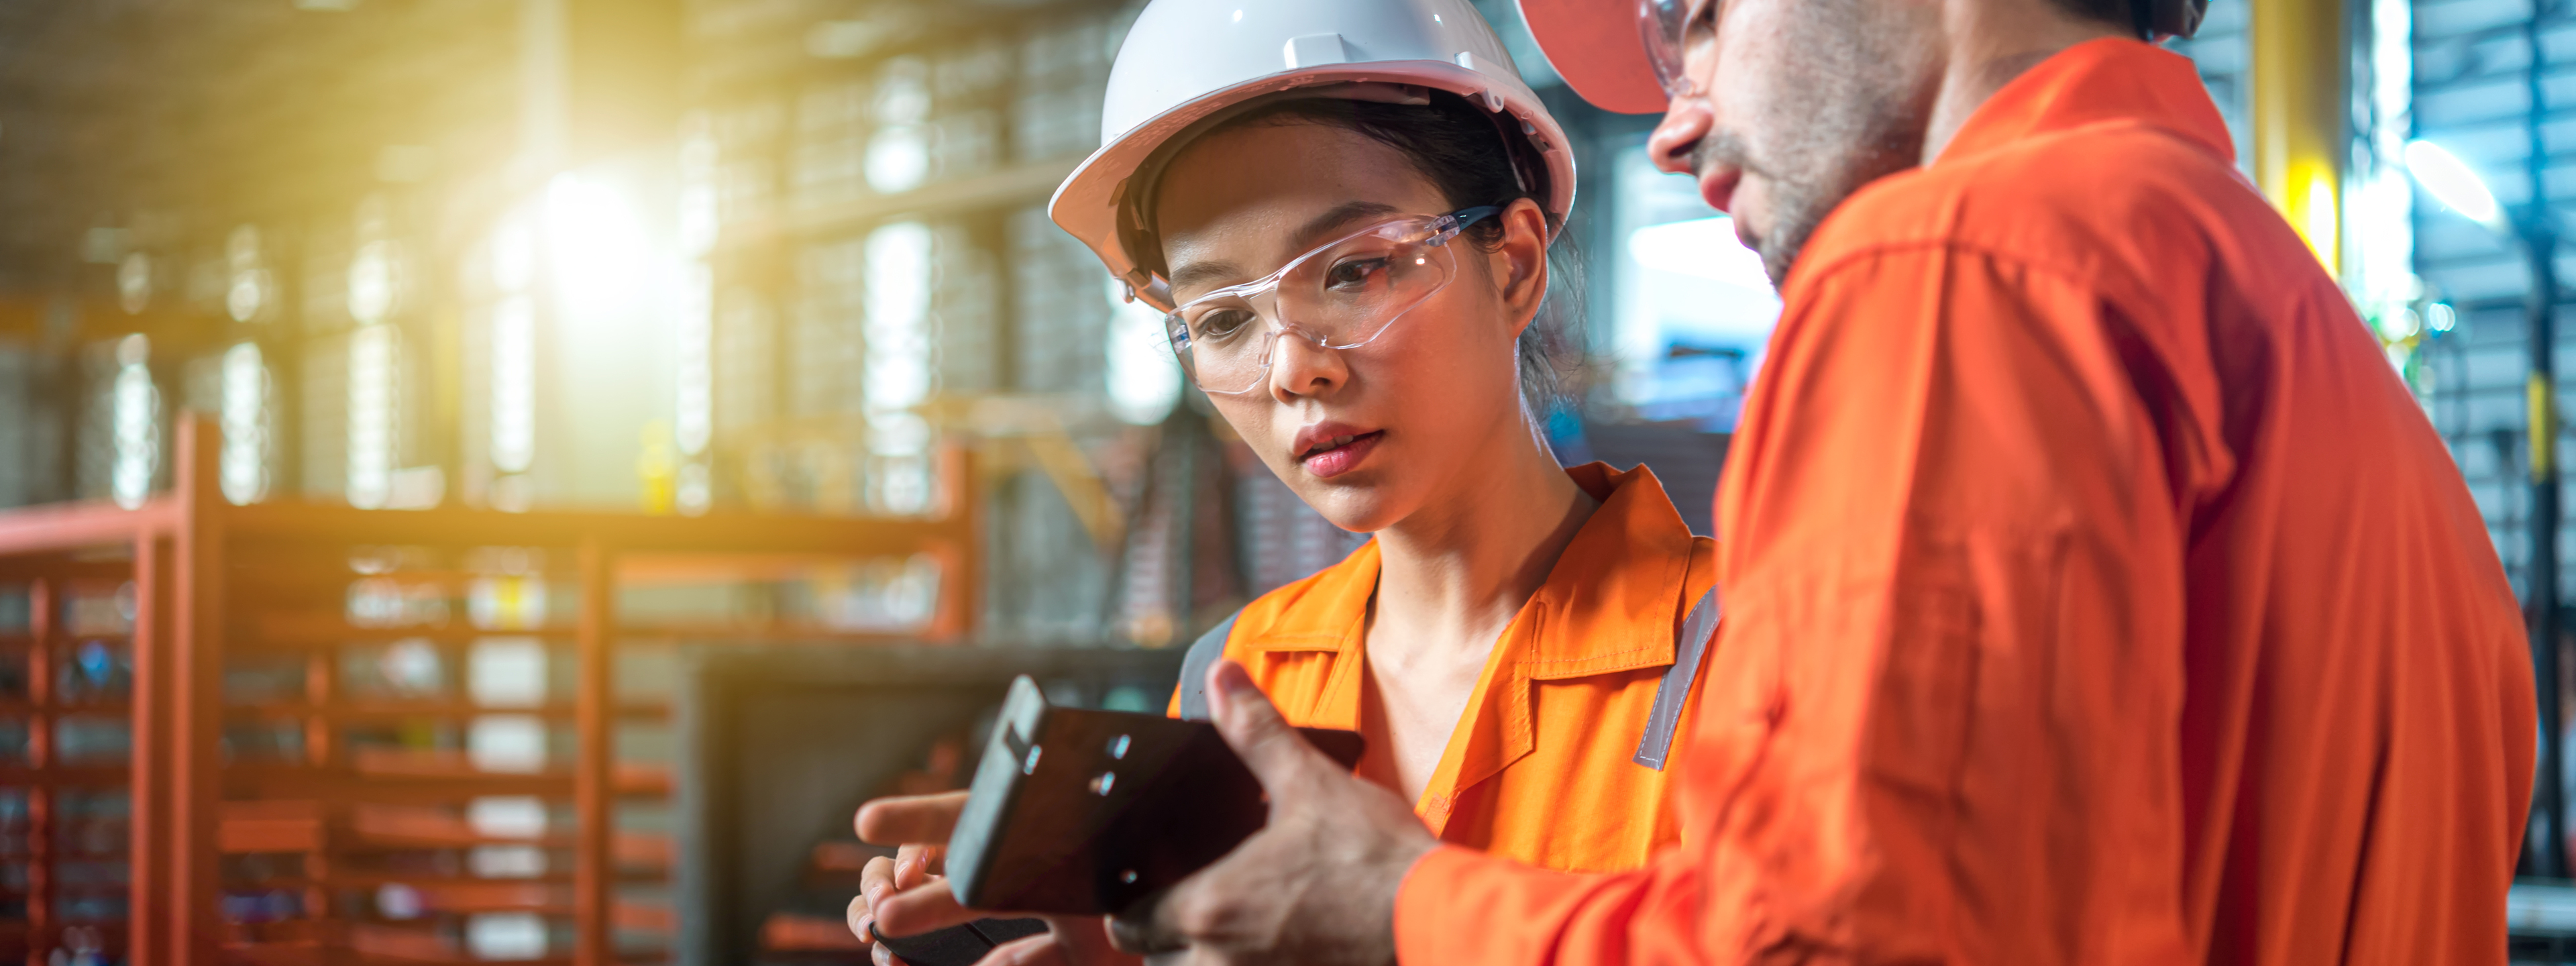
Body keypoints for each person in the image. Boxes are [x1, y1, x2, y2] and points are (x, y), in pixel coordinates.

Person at [871, 0, 2542, 961]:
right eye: (1218, 317)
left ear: (1514, 265)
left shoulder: (1963, 272)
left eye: (1698, 10)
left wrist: (1399, 908)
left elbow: (1842, 945)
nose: (1673, 129)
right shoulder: (2307, 352)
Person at [847, 1, 1733, 961]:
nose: (1291, 369)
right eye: (1224, 320)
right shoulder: (1241, 679)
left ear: (1515, 266)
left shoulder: (1747, 654)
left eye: (1354, 270)